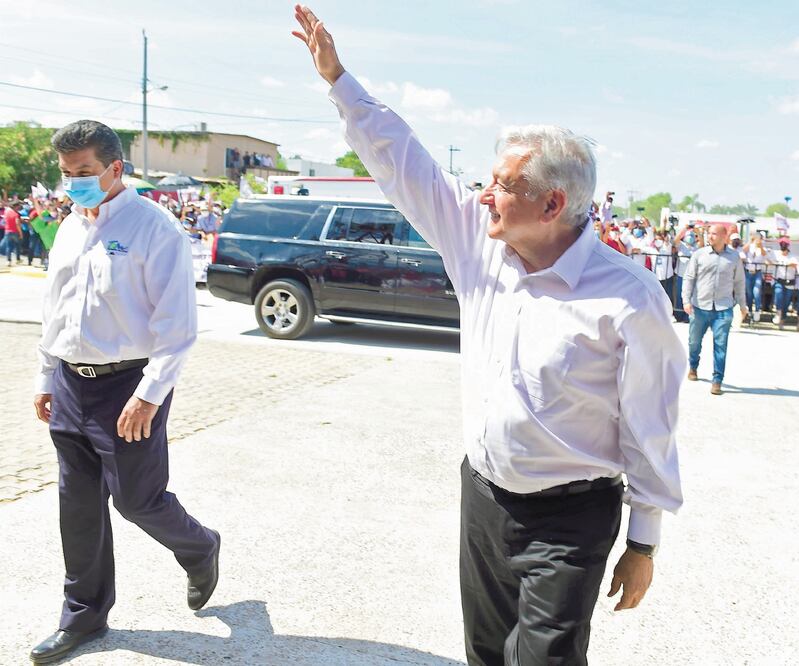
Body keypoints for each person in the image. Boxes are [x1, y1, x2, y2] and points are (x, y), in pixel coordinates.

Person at [294, 6, 685, 664]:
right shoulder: (478, 245)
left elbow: (651, 425)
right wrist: (339, 80)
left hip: (569, 519)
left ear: (551, 204)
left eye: (501, 186)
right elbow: (405, 165)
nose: (482, 197)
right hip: (481, 496)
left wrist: (642, 542)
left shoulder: (628, 299)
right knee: (482, 653)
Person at [30, 120, 221, 664]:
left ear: (116, 168)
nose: (73, 184)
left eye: (84, 173)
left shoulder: (154, 228)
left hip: (128, 386)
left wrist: (150, 394)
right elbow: (55, 310)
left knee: (138, 501)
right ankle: (83, 617)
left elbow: (178, 325)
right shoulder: (70, 227)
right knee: (78, 506)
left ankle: (200, 546)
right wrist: (47, 377)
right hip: (71, 382)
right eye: (67, 175)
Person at [681, 224, 747, 395]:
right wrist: (686, 300)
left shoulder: (734, 258)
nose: (710, 236)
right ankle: (693, 366)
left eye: (714, 234)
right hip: (699, 306)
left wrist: (742, 305)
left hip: (723, 308)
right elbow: (689, 278)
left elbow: (739, 282)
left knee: (721, 345)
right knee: (694, 342)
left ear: (725, 236)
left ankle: (717, 380)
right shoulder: (699, 254)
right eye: (709, 233)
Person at [767, 237, 798, 329]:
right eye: (782, 243)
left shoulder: (792, 256)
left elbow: (794, 264)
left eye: (785, 243)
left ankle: (782, 320)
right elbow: (768, 260)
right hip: (779, 280)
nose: (783, 245)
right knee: (778, 294)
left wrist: (787, 264)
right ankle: (778, 312)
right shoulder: (775, 254)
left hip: (789, 282)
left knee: (786, 302)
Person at [742, 232, 767, 321]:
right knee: (749, 293)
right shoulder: (750, 246)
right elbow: (743, 250)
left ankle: (757, 310)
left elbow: (764, 254)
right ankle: (749, 310)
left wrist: (760, 246)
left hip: (757, 272)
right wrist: (750, 241)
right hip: (748, 271)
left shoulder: (762, 248)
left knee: (756, 291)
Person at [3, 200, 23, 264]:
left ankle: (8, 260)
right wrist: (20, 233)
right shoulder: (15, 214)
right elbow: (17, 224)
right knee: (17, 246)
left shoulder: (6, 212)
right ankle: (18, 259)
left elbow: (4, 222)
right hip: (15, 231)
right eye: (18, 206)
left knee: (8, 246)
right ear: (16, 206)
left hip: (7, 231)